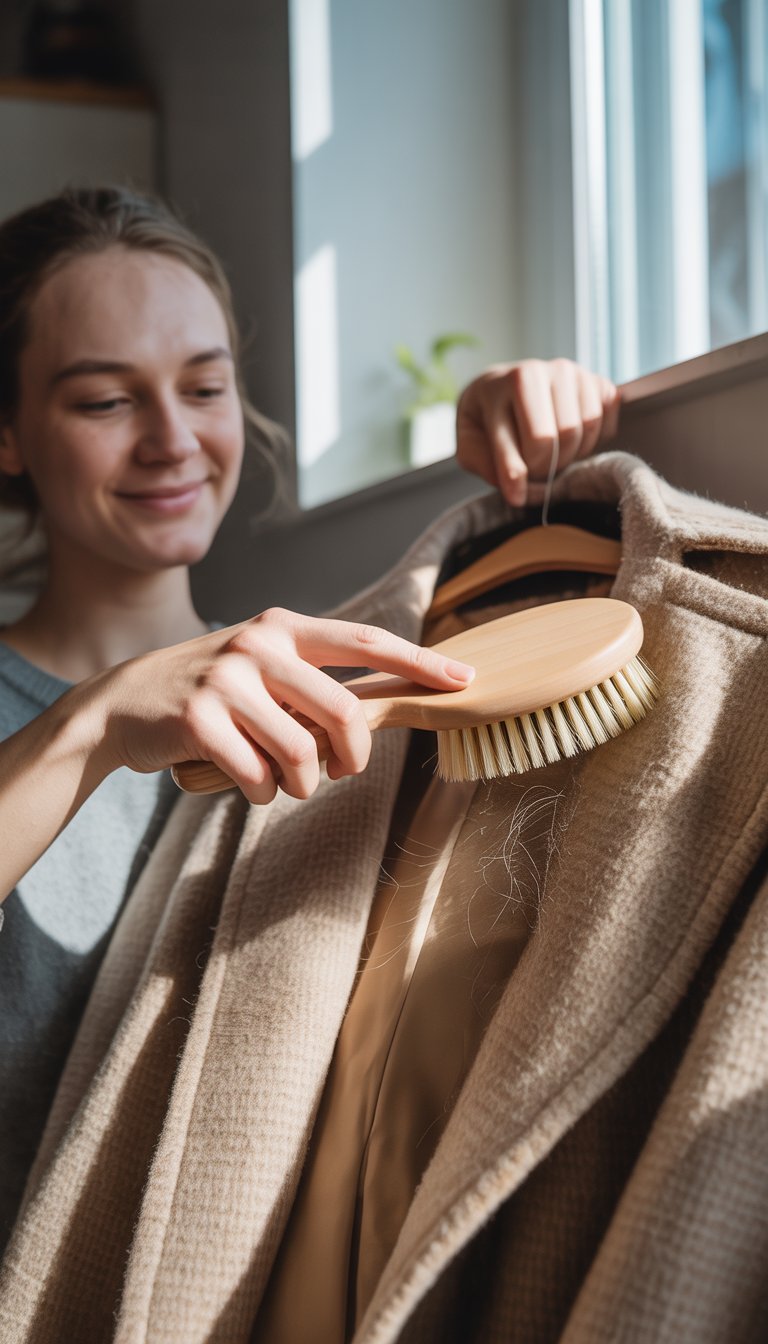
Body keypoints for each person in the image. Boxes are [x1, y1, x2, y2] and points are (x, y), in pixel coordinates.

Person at [0, 185, 620, 1253]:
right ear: (7, 437)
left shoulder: (325, 674)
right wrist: (94, 726)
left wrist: (541, 442)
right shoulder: (45, 720)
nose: (171, 441)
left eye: (205, 387)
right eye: (105, 402)